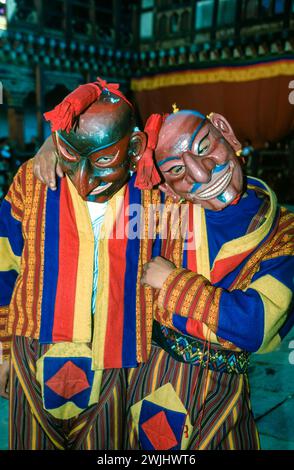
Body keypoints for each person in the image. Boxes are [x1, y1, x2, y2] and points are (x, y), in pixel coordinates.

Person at [30, 109, 294, 450]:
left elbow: (257, 324)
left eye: (204, 148)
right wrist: (59, 148)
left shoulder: (281, 230)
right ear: (168, 188)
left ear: (225, 130)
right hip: (159, 380)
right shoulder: (167, 217)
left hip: (228, 390)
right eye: (177, 171)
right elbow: (93, 201)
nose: (202, 172)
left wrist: (172, 284)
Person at [0, 78, 162, 450]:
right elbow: (5, 269)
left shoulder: (151, 191)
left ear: (134, 148)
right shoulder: (34, 181)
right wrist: (3, 350)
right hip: (34, 347)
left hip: (116, 355)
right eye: (71, 155)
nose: (85, 182)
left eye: (104, 159)